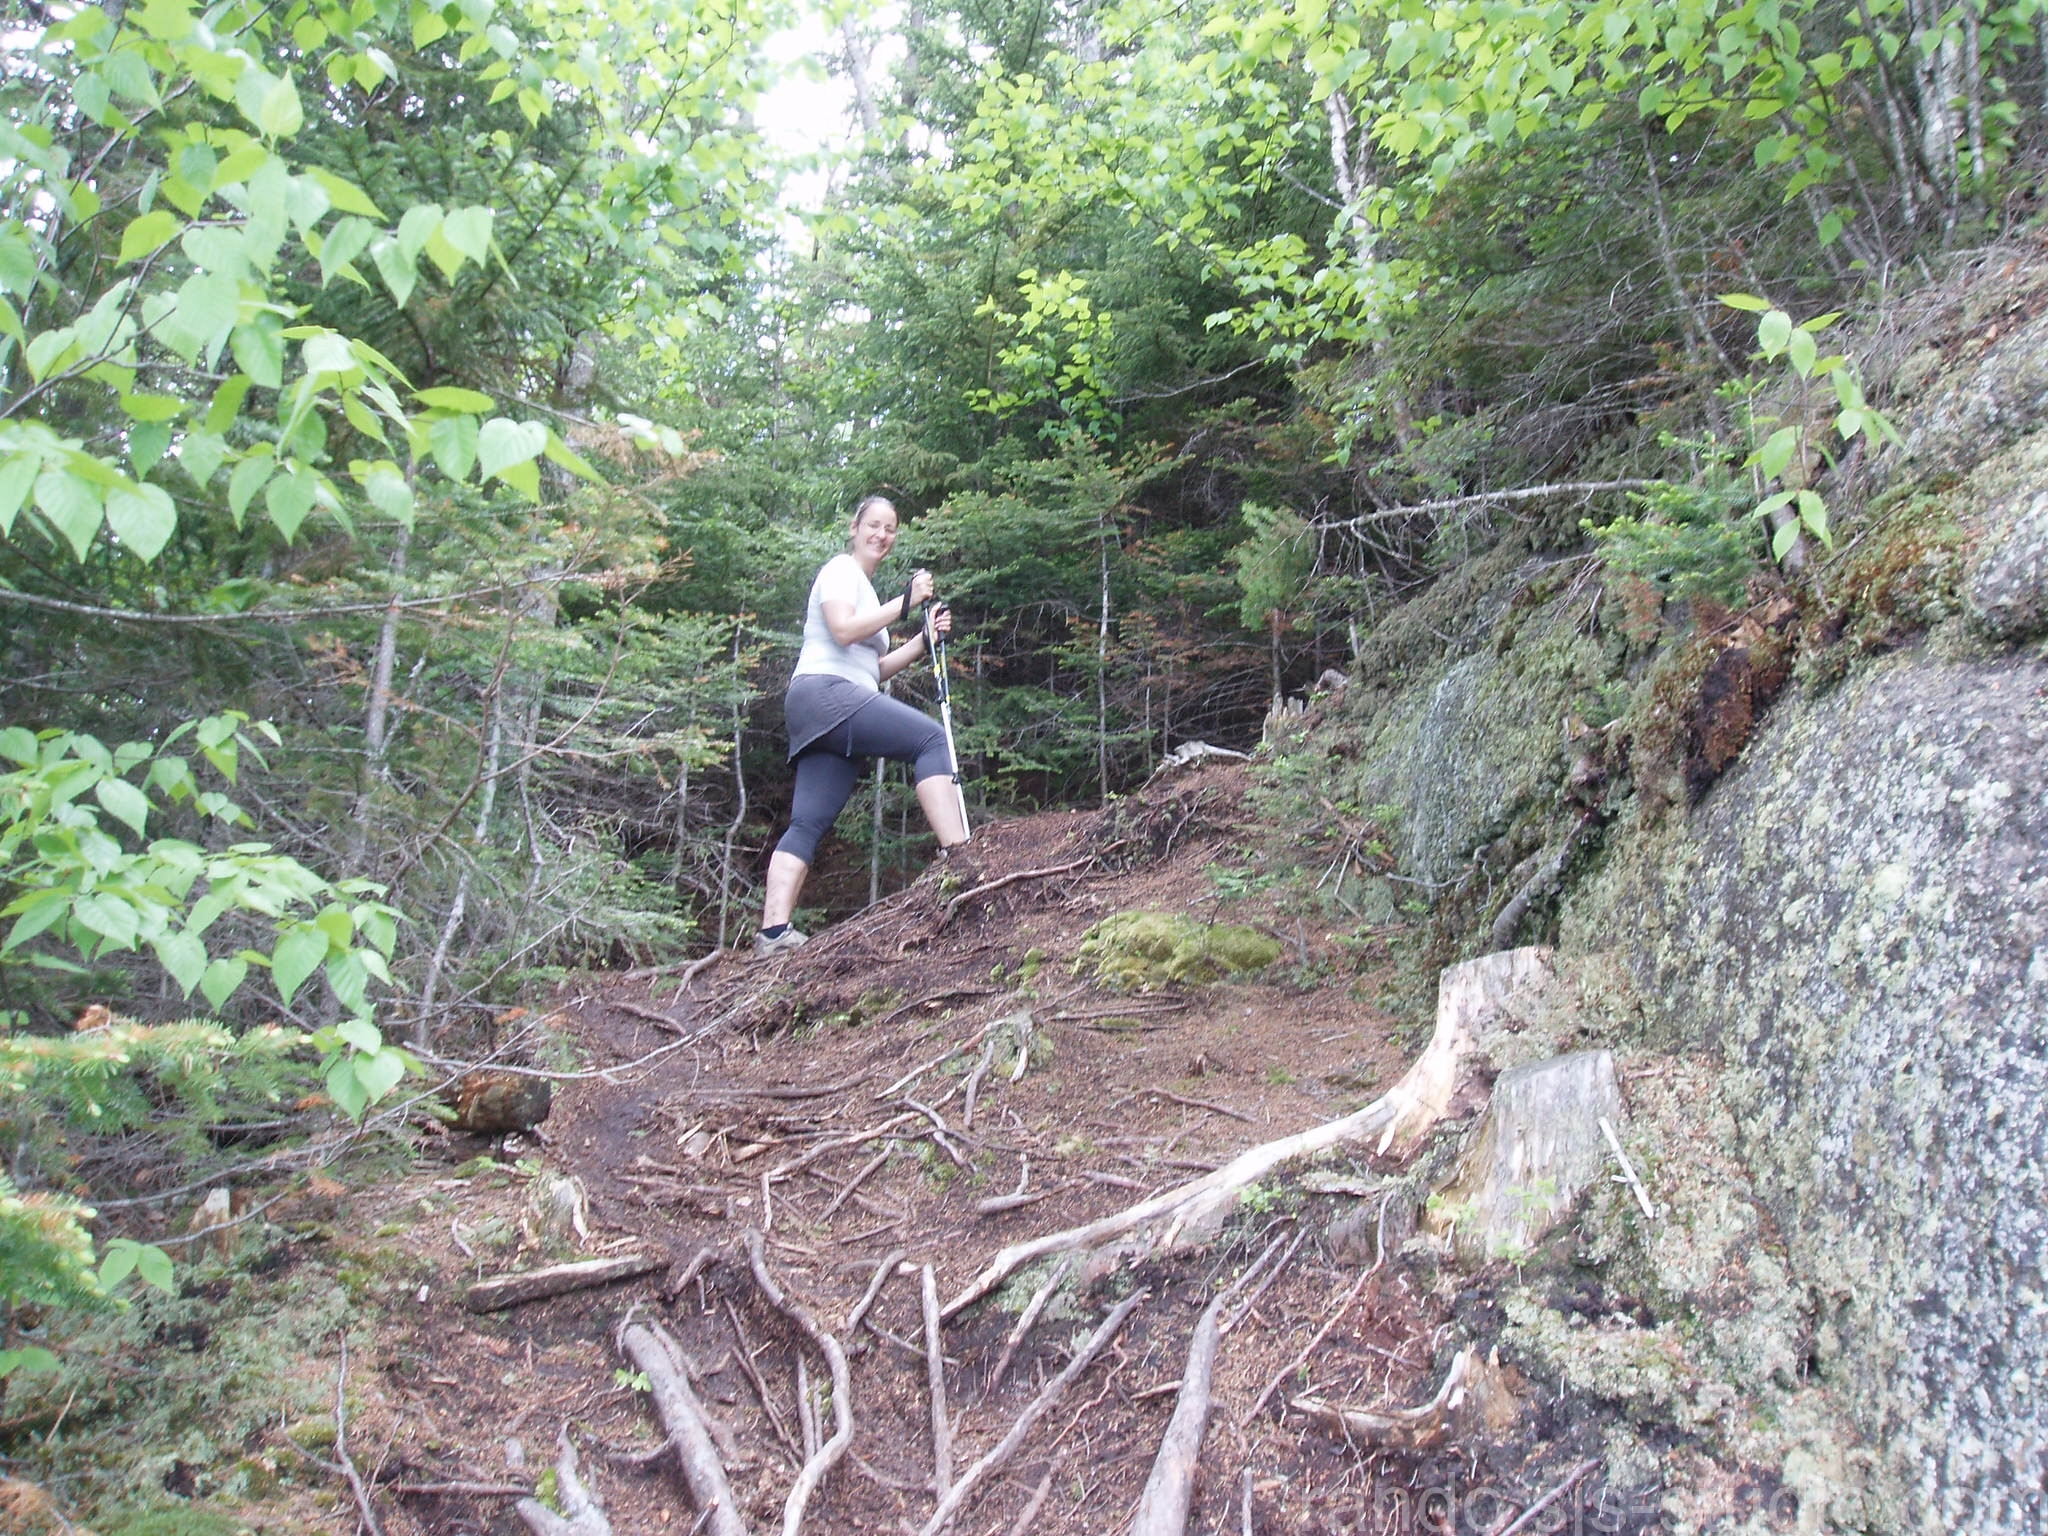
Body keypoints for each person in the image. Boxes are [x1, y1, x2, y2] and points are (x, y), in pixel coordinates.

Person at [755, 494, 967, 958]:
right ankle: (963, 859)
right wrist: (905, 602)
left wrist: (921, 641)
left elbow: (870, 669)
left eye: (890, 528)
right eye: (873, 525)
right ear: (854, 528)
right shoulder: (839, 571)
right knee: (930, 739)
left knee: (809, 820)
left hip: (831, 704)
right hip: (824, 694)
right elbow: (843, 631)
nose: (881, 535)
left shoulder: (867, 591)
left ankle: (773, 933)